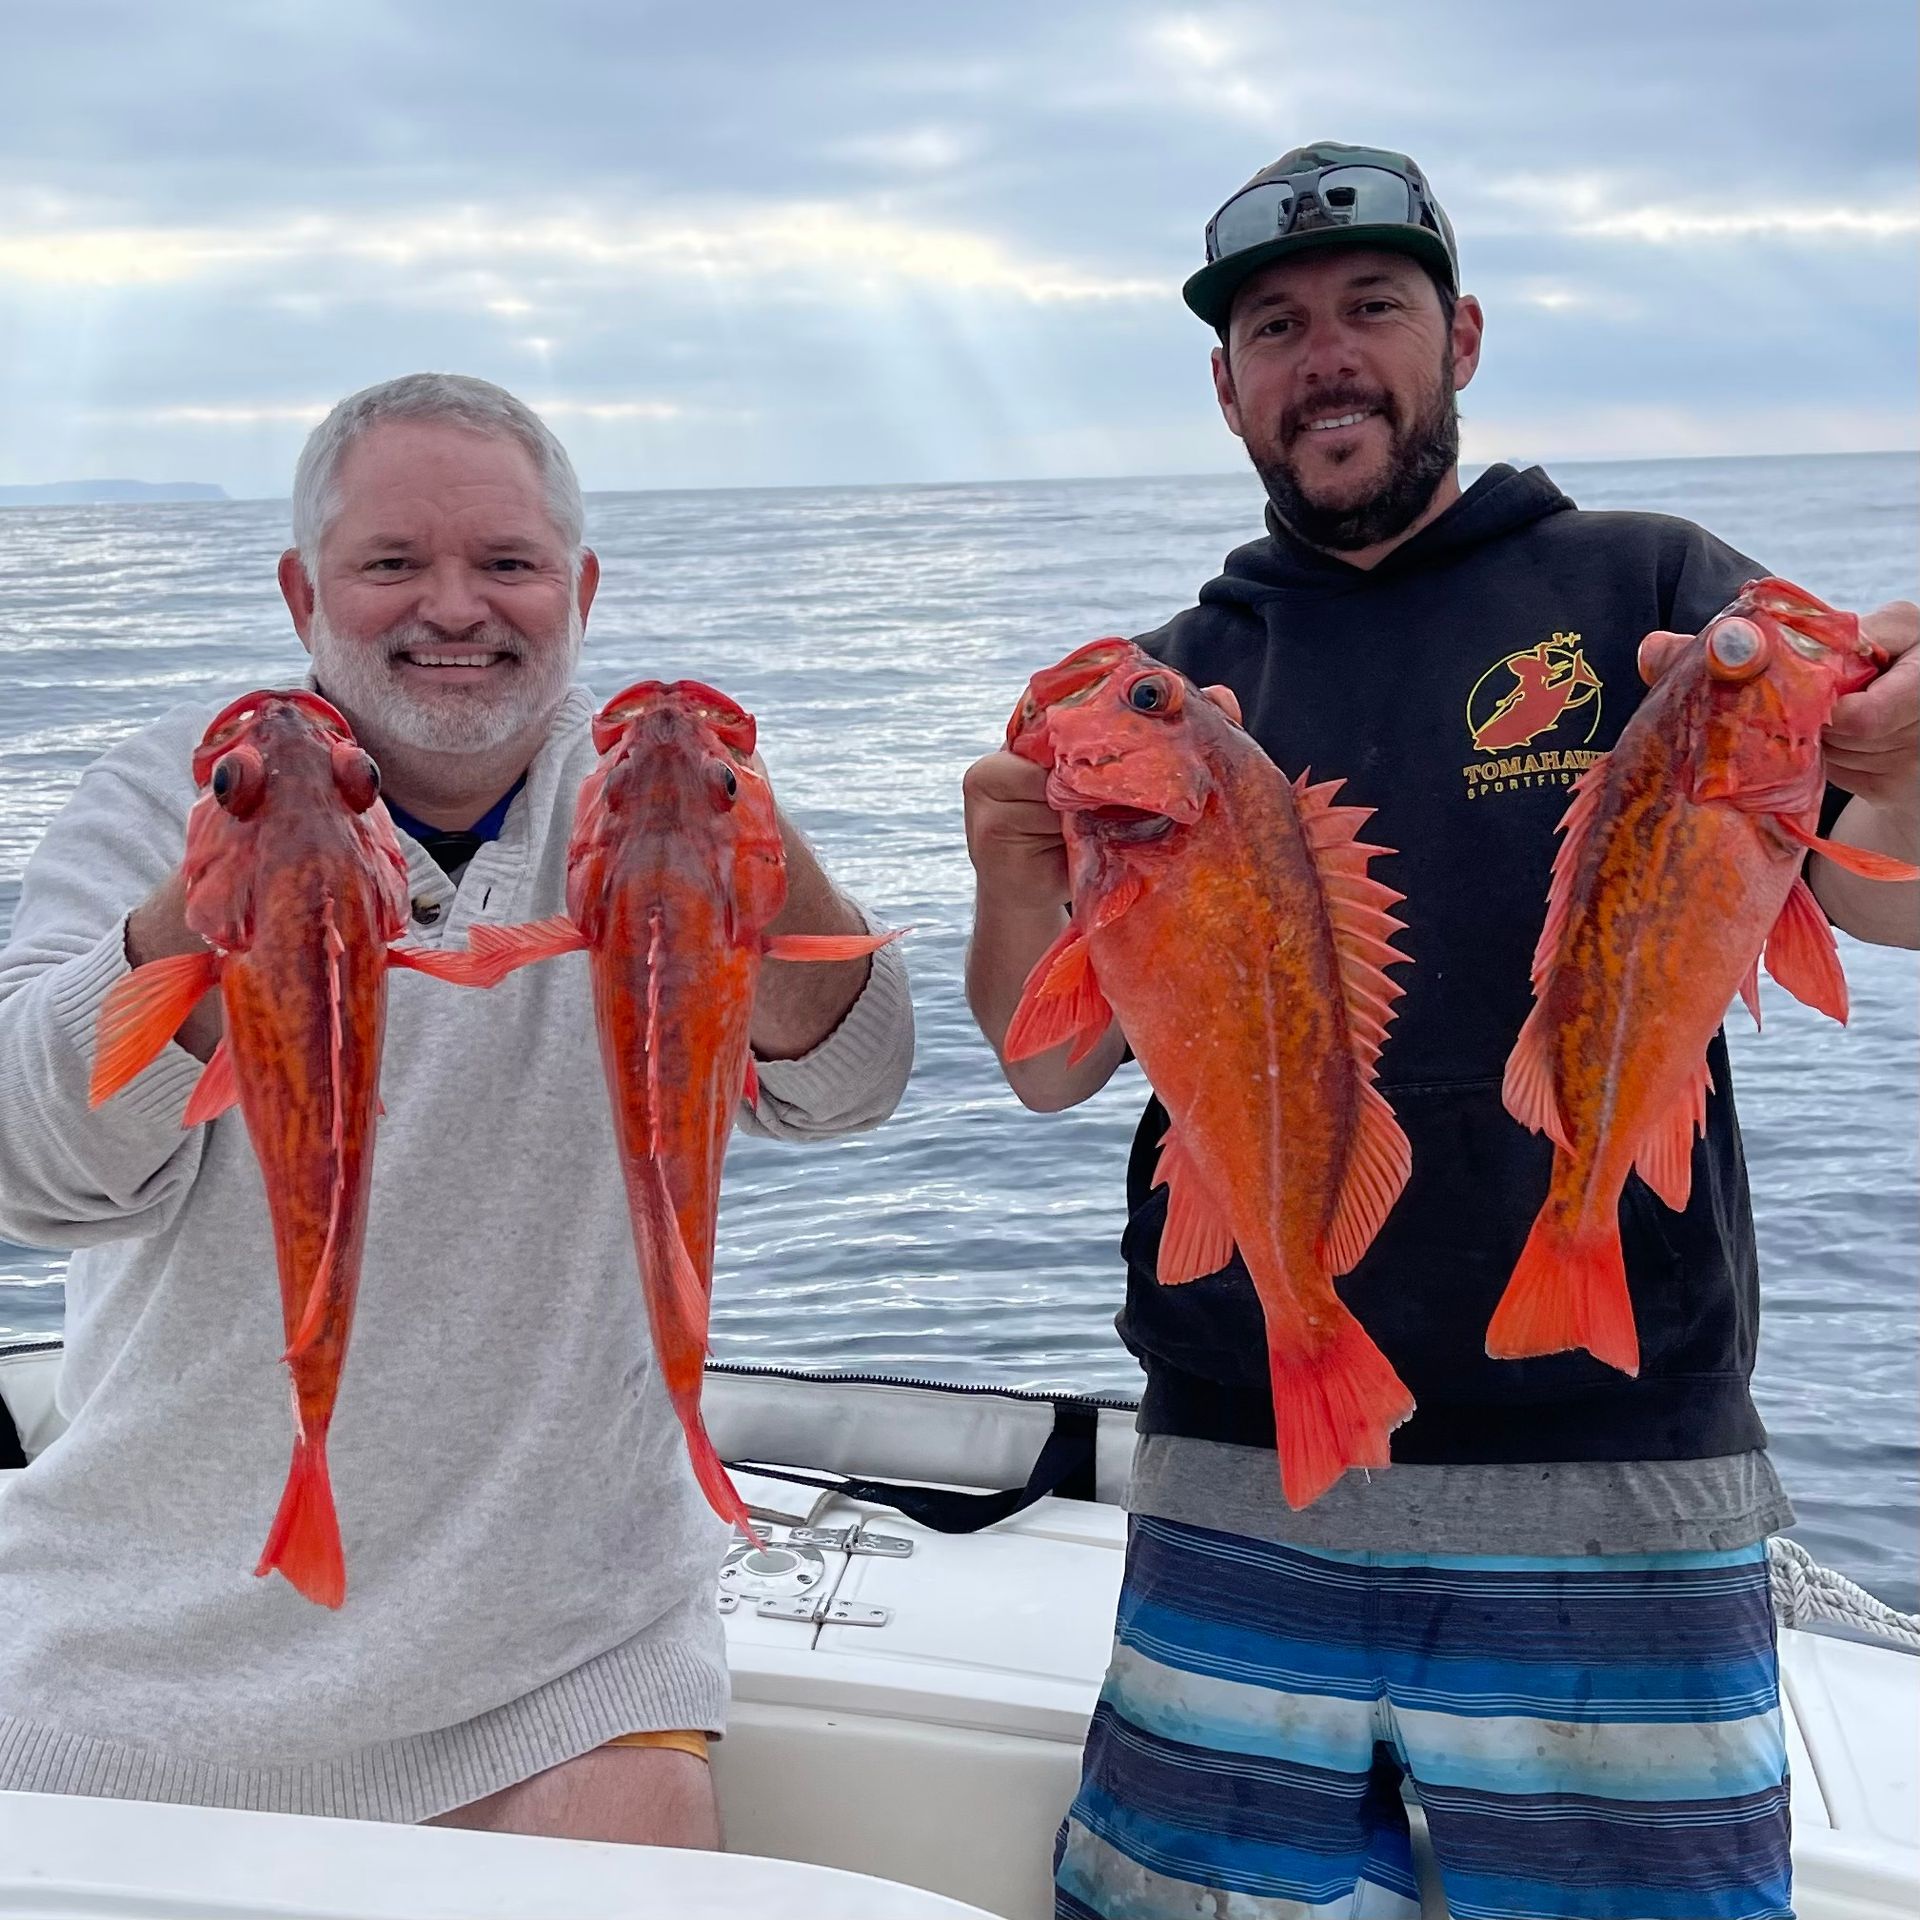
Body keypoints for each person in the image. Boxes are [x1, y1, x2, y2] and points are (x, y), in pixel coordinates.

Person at [963, 144, 1917, 1917]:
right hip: (1239, 1469)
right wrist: (1014, 869)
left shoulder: (1657, 595)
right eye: (1276, 325)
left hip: (1614, 1470)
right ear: (1228, 382)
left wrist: (1895, 766)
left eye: (1373, 308)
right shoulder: (1193, 667)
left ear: (1461, 336)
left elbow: (1885, 891)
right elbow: (1044, 1065)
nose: (1326, 355)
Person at [0, 373, 913, 1844]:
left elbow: (849, 1083)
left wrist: (742, 823)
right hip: (144, 1636)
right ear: (304, 591)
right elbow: (29, 1171)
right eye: (391, 565)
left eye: (506, 564)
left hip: (563, 1649)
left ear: (582, 588)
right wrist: (190, 923)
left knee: (636, 1841)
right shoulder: (165, 798)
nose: (455, 608)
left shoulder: (638, 792)